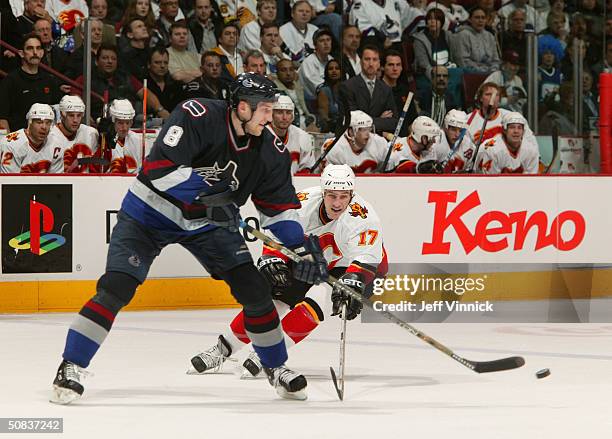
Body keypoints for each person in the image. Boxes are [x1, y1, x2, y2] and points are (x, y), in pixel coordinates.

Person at [50, 73, 328, 405]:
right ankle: (71, 364)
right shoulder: (196, 115)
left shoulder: (271, 151)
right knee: (115, 288)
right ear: (242, 107)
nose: (272, 117)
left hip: (208, 226)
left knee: (256, 292)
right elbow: (161, 170)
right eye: (266, 110)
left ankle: (275, 366)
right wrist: (210, 197)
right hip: (149, 214)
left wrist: (299, 247)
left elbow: (279, 209)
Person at [188, 164, 387, 378]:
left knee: (318, 302)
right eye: (331, 196)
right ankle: (222, 349)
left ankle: (268, 353)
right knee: (272, 301)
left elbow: (368, 260)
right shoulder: (301, 204)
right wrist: (271, 259)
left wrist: (354, 280)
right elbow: (275, 237)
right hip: (311, 259)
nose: (337, 203)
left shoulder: (363, 217)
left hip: (350, 268)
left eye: (343, 196)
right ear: (323, 193)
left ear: (351, 194)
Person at [0, 34, 65, 132]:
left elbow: (58, 113)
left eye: (38, 48)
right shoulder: (10, 81)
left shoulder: (50, 80)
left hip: (47, 140)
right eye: (30, 48)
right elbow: (2, 118)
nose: (35, 52)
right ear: (21, 53)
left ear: (42, 52)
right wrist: (8, 142)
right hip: (18, 141)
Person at [338, 45, 398, 134]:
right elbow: (352, 120)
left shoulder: (386, 89)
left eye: (374, 60)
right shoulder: (347, 86)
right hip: (353, 140)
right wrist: (379, 120)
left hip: (378, 141)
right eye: (367, 59)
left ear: (379, 63)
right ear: (361, 62)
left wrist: (369, 121)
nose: (371, 64)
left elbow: (393, 122)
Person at [0, 103, 62, 174]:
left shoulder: (56, 144)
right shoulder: (11, 145)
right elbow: (9, 182)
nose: (44, 127)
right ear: (30, 123)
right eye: (39, 122)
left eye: (48, 123)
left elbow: (57, 180)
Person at [323, 110, 388, 173]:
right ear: (351, 131)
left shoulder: (379, 143)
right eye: (362, 129)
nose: (368, 133)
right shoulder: (333, 147)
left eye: (369, 128)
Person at [51, 95, 100, 173]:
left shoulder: (91, 134)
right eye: (71, 115)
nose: (75, 120)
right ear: (62, 115)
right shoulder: (50, 136)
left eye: (79, 115)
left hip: (85, 183)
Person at [270, 95, 315, 174]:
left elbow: (306, 170)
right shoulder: (260, 135)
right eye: (279, 112)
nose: (284, 117)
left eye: (288, 112)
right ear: (271, 114)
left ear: (293, 115)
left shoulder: (303, 137)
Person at [316, 58, 341, 133]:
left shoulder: (347, 88)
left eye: (337, 68)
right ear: (326, 72)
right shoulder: (324, 91)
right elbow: (324, 118)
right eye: (330, 69)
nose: (334, 71)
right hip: (332, 128)